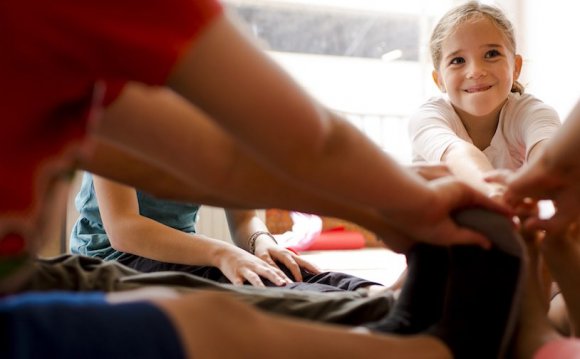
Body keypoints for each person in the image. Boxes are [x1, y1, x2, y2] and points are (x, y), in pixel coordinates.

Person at [0, 0, 520, 357]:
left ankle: (406, 318)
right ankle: (438, 348)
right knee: (217, 326)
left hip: (24, 276)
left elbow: (210, 163)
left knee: (321, 287)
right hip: (116, 256)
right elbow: (300, 143)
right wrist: (402, 204)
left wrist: (381, 208)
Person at [69, 171, 385, 293]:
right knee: (266, 292)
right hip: (111, 259)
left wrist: (261, 242)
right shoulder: (118, 115)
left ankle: (378, 296)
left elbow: (244, 217)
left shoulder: (218, 119)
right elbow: (124, 229)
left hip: (185, 251)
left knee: (291, 274)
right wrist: (222, 253)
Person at [409, 1, 561, 200]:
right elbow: (458, 154)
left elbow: (548, 156)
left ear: (515, 67)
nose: (476, 72)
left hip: (507, 226)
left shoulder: (532, 112)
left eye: (491, 54)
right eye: (458, 61)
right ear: (440, 81)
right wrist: (496, 192)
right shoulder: (427, 118)